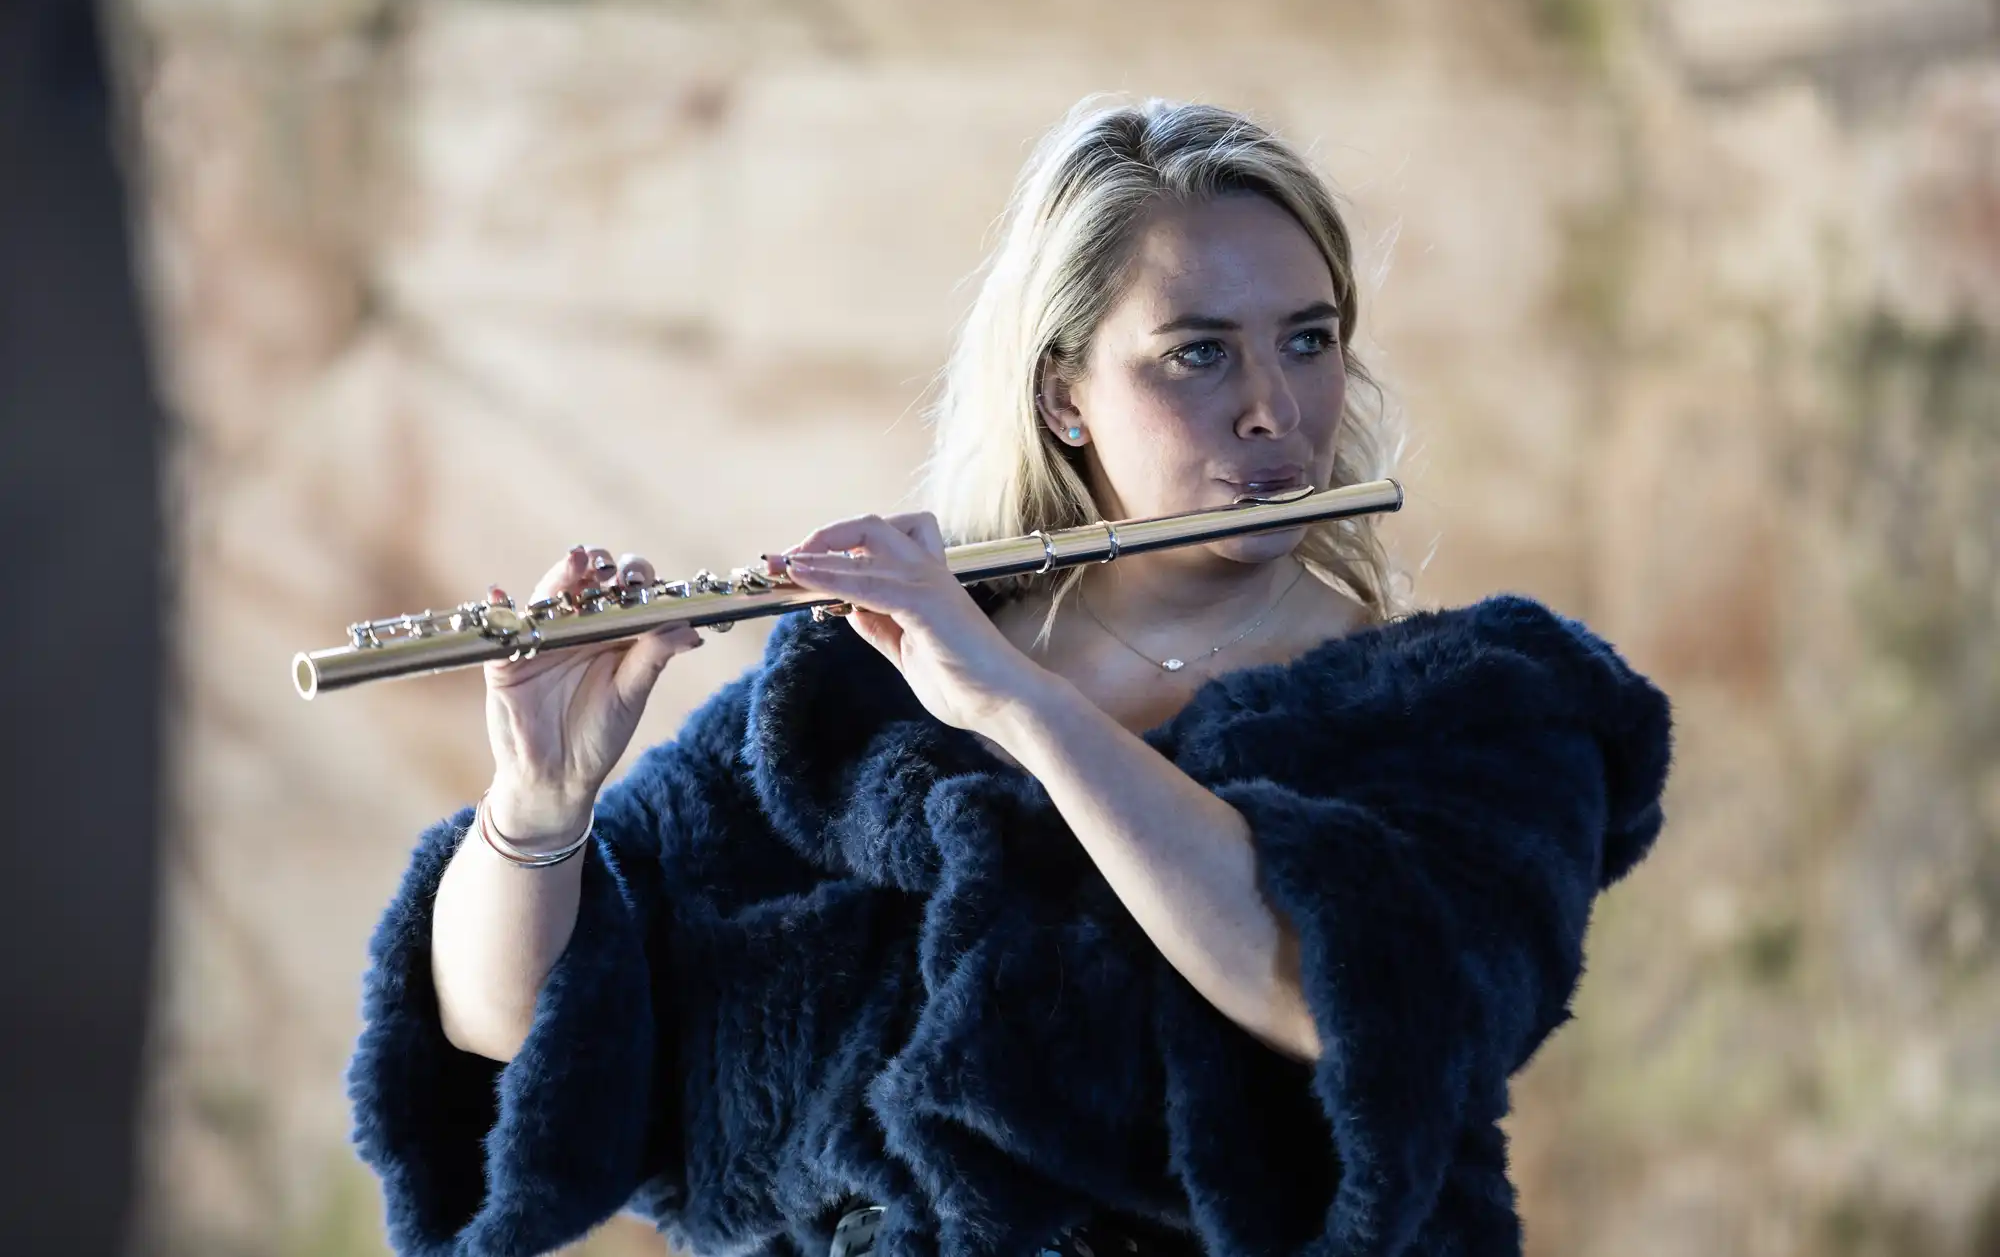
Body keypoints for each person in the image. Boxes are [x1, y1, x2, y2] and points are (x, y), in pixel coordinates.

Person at [346, 96, 1675, 1257]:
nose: (1274, 406)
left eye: (1310, 338)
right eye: (1199, 352)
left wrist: (1018, 706)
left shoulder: (1483, 711)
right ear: (1064, 398)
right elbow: (517, 1039)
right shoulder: (852, 700)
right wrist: (539, 806)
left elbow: (1350, 1009)